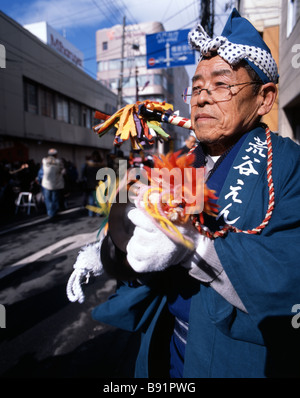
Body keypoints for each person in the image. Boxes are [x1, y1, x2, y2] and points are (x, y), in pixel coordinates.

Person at [67, 9, 300, 378]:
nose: (202, 99)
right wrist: (105, 250)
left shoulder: (289, 166)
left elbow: (292, 276)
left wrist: (194, 246)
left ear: (264, 99)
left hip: (236, 360)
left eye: (222, 85)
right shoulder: (180, 163)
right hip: (169, 350)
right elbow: (144, 235)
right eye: (196, 87)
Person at [39, 148, 65, 219]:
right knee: (55, 199)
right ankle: (54, 212)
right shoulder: (59, 162)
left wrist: (39, 180)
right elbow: (63, 171)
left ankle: (50, 212)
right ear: (56, 155)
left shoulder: (44, 161)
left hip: (46, 184)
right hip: (56, 184)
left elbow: (41, 172)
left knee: (48, 199)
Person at [81, 150, 104, 216]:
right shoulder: (101, 165)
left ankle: (91, 213)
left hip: (90, 184)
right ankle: (99, 213)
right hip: (99, 184)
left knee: (91, 199)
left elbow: (83, 174)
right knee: (99, 200)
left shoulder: (87, 164)